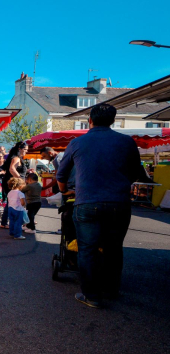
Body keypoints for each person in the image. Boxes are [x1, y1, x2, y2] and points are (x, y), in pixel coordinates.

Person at [56, 103, 146, 309]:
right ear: (113, 121)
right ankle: (111, 289)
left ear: (90, 120)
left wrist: (64, 191)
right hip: (119, 203)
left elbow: (61, 175)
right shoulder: (126, 142)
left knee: (87, 249)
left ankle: (92, 295)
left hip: (87, 202)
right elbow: (135, 173)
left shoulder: (78, 142)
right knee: (114, 249)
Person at [0, 142, 28, 229]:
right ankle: (7, 222)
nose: (26, 151)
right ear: (20, 149)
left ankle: (5, 222)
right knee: (14, 202)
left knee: (11, 202)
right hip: (14, 184)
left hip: (11, 182)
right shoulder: (16, 158)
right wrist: (20, 179)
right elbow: (12, 169)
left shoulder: (14, 157)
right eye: (25, 149)